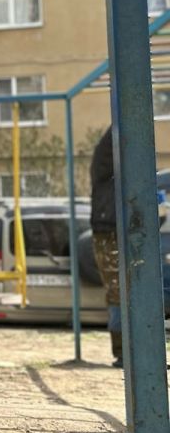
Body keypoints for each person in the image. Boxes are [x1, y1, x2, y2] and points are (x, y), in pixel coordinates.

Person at [89, 125, 124, 367]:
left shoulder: (116, 173)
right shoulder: (106, 168)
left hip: (114, 228)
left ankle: (125, 351)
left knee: (121, 291)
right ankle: (122, 352)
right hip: (107, 229)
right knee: (117, 292)